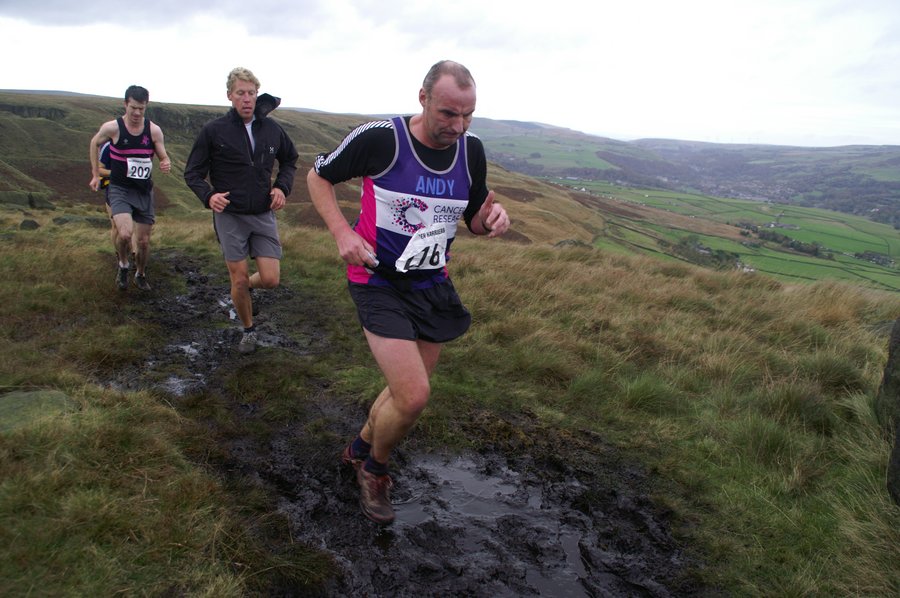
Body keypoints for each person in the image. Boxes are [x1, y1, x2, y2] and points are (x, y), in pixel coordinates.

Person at [306, 60, 510, 524]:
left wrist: (491, 220)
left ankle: (359, 449)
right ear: (423, 98)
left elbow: (474, 217)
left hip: (431, 283)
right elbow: (318, 176)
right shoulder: (382, 138)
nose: (458, 126)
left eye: (468, 115)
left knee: (405, 393)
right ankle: (374, 470)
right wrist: (341, 232)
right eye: (448, 114)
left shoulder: (471, 150)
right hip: (377, 279)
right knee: (414, 395)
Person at [184, 67, 299, 354]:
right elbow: (193, 173)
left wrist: (281, 187)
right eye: (240, 93)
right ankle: (248, 330)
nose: (246, 99)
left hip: (262, 212)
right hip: (230, 215)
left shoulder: (272, 129)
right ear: (229, 96)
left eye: (251, 93)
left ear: (257, 95)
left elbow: (290, 160)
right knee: (237, 278)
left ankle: (245, 290)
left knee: (270, 279)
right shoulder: (214, 131)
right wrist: (209, 196)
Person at [89, 85, 171, 291]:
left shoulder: (153, 130)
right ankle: (123, 265)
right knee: (125, 234)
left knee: (143, 242)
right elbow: (94, 143)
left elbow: (163, 155)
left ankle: (140, 273)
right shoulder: (113, 128)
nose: (136, 113)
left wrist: (165, 162)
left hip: (143, 190)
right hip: (119, 189)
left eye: (141, 109)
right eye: (133, 107)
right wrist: (96, 174)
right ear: (125, 104)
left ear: (146, 107)